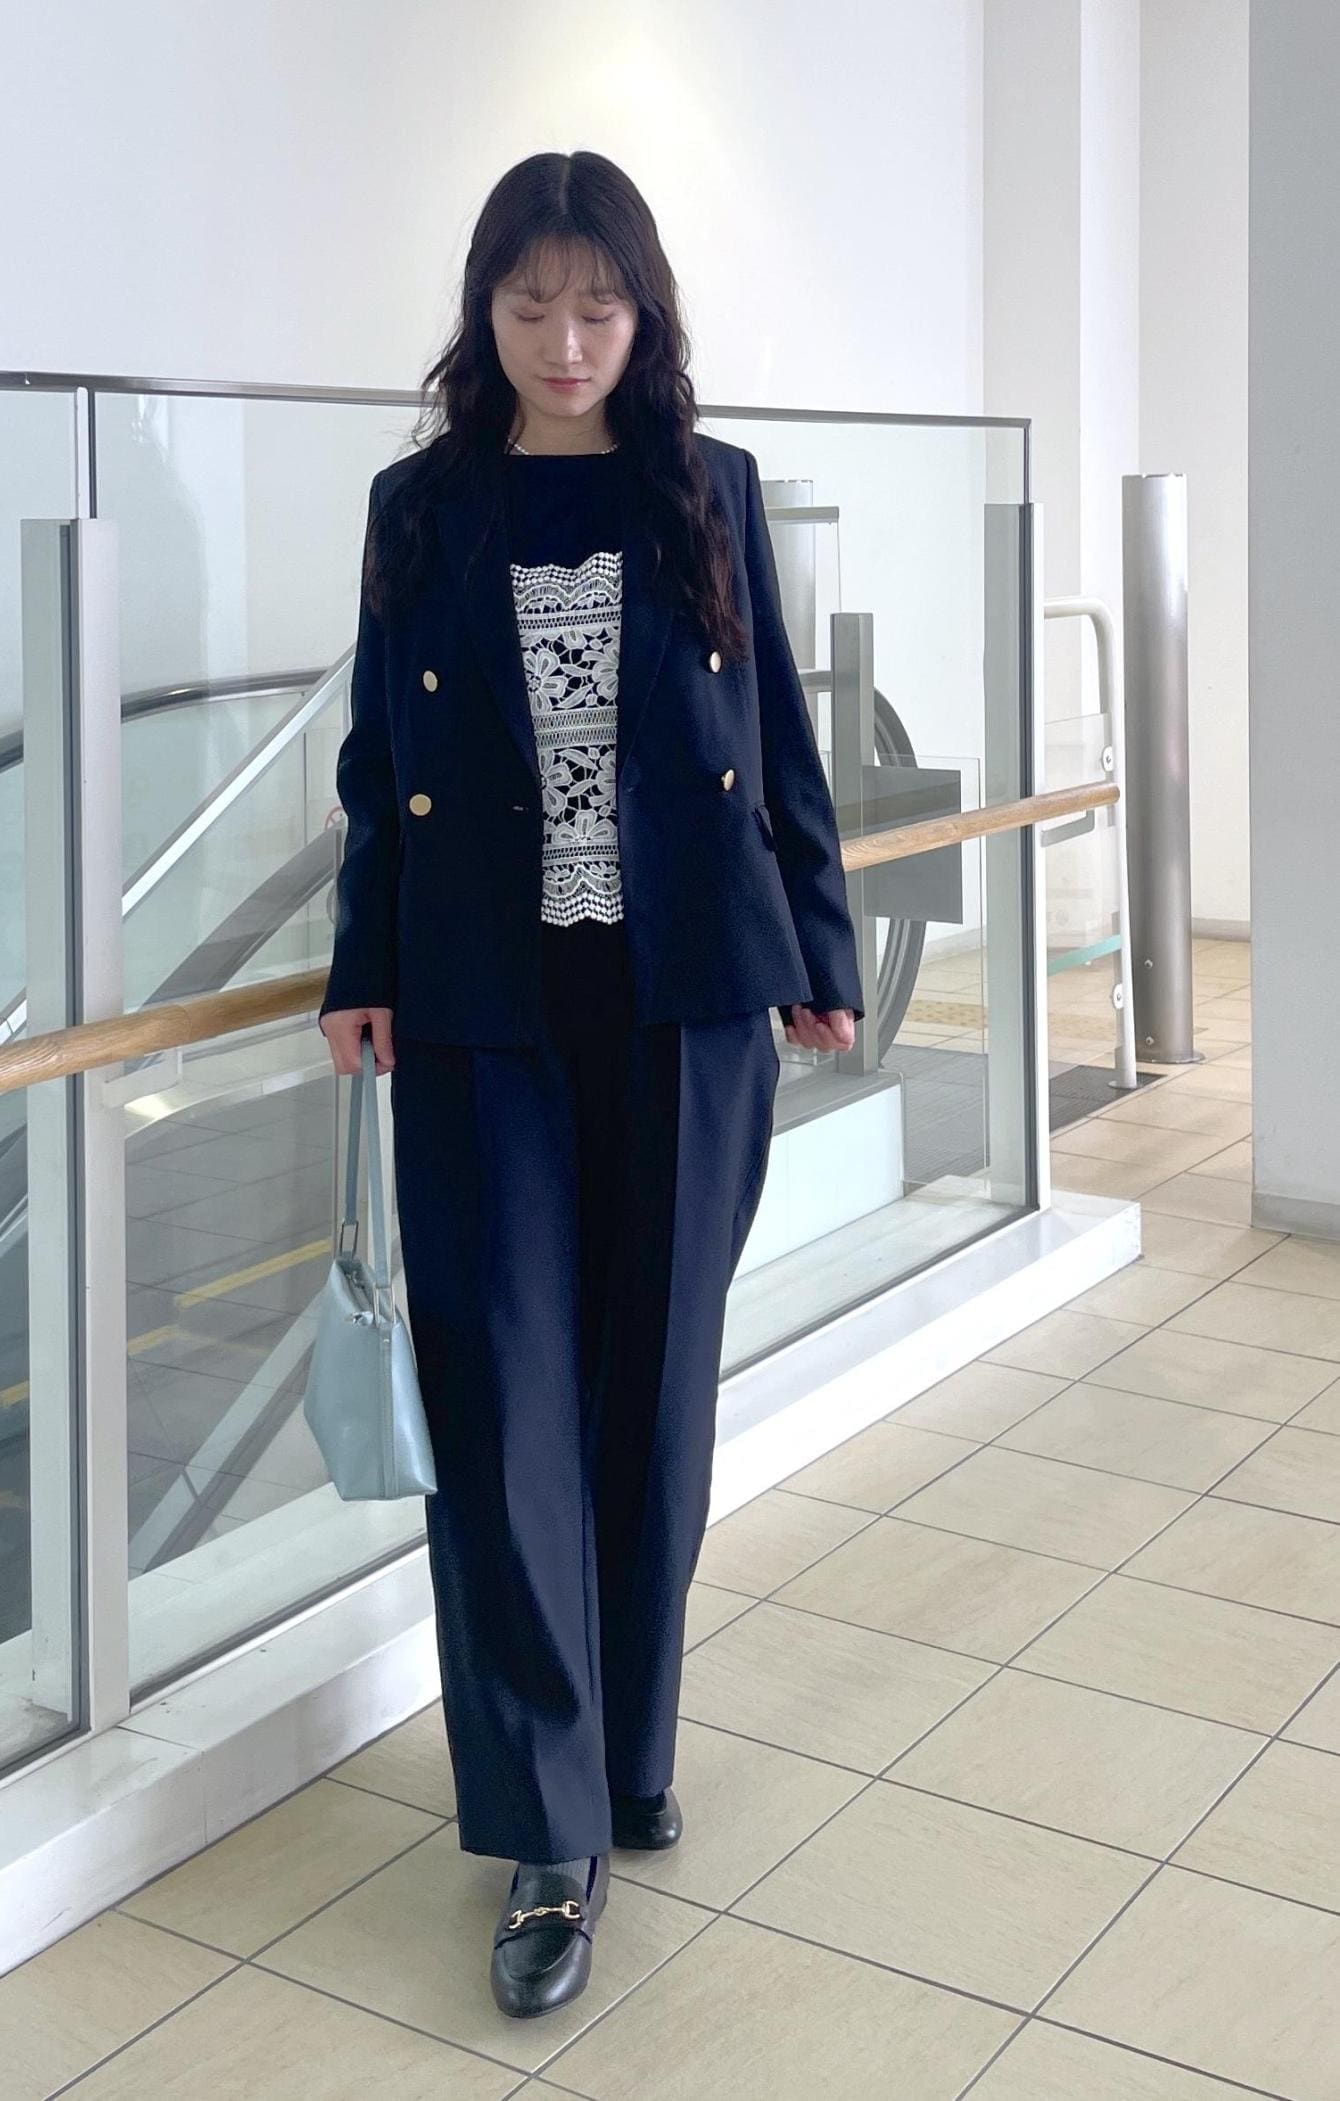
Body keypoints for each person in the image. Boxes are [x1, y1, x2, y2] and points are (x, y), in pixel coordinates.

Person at [317, 149, 863, 2020]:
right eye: (531, 303)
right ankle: (547, 1831)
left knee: (655, 1392)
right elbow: (374, 763)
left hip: (688, 1002)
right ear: (486, 308)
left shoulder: (703, 488)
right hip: (482, 1010)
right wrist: (363, 962)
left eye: (598, 306)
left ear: (645, 316)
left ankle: (628, 1747)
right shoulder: (418, 510)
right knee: (505, 1403)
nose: (564, 340)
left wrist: (820, 947)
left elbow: (778, 732)